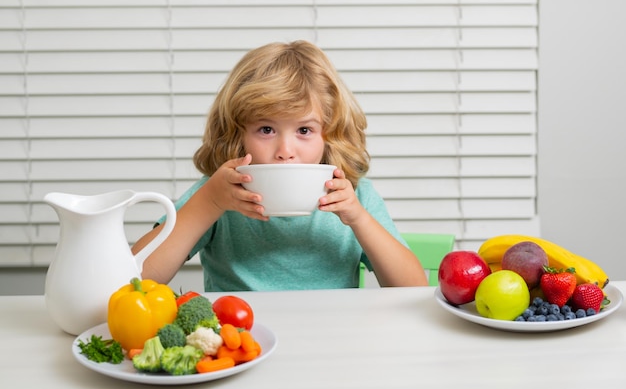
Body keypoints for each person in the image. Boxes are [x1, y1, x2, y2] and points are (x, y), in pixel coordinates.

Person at [132, 40, 428, 291]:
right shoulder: (220, 193)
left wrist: (359, 219)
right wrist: (209, 202)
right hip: (242, 347)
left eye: (304, 131)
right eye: (266, 130)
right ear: (238, 134)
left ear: (330, 135)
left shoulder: (356, 198)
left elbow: (413, 288)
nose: (285, 151)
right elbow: (132, 278)